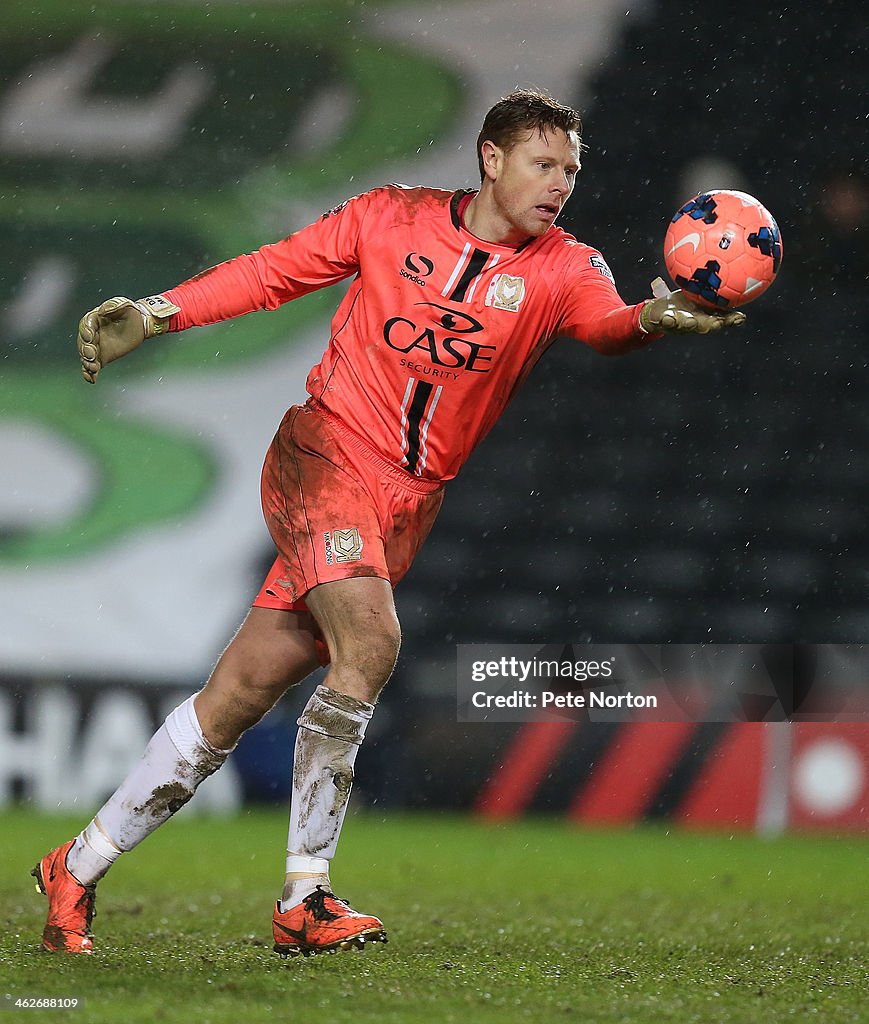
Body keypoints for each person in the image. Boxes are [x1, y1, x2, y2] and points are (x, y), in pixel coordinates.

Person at [32, 88, 744, 957]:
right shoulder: (386, 219)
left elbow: (607, 326)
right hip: (325, 455)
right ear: (491, 157)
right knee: (368, 644)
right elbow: (272, 269)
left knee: (241, 695)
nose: (560, 183)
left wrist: (655, 318)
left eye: (571, 170)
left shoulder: (565, 267)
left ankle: (77, 863)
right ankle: (305, 897)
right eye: (543, 164)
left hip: (406, 504)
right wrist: (157, 312)